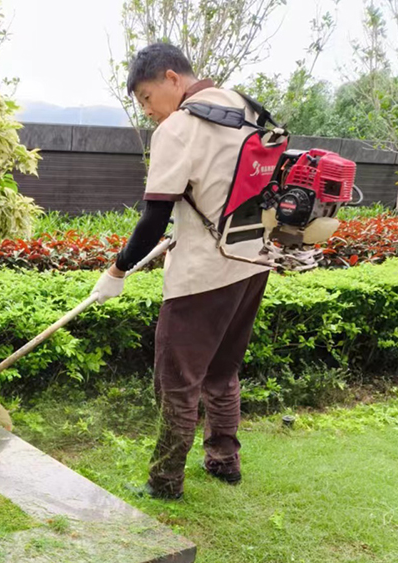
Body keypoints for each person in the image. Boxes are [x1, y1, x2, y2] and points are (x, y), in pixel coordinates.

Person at [92, 43, 271, 500]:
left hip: (204, 274)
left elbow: (153, 218)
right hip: (253, 261)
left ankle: (165, 480)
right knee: (222, 370)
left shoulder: (178, 129)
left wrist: (116, 270)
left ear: (172, 78)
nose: (150, 111)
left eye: (148, 98)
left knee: (177, 379)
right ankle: (224, 461)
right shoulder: (245, 107)